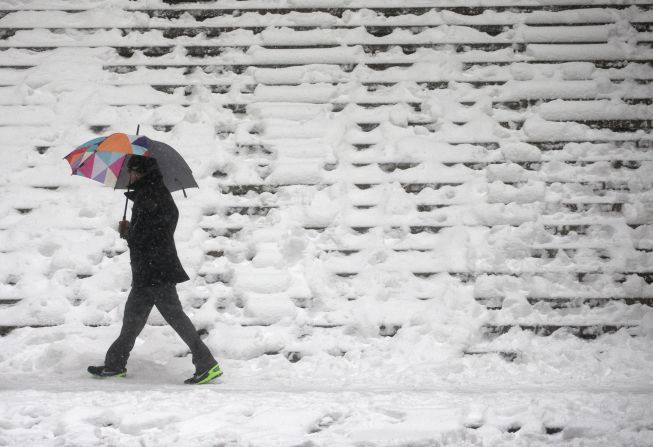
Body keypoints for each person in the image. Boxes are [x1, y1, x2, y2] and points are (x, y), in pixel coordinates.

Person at [88, 155, 222, 384]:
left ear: (142, 173)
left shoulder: (151, 197)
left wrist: (128, 232)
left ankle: (207, 364)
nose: (129, 174)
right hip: (148, 271)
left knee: (176, 318)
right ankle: (115, 364)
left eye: (132, 170)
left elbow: (151, 235)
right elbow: (155, 230)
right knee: (132, 320)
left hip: (156, 271)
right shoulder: (150, 194)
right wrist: (132, 231)